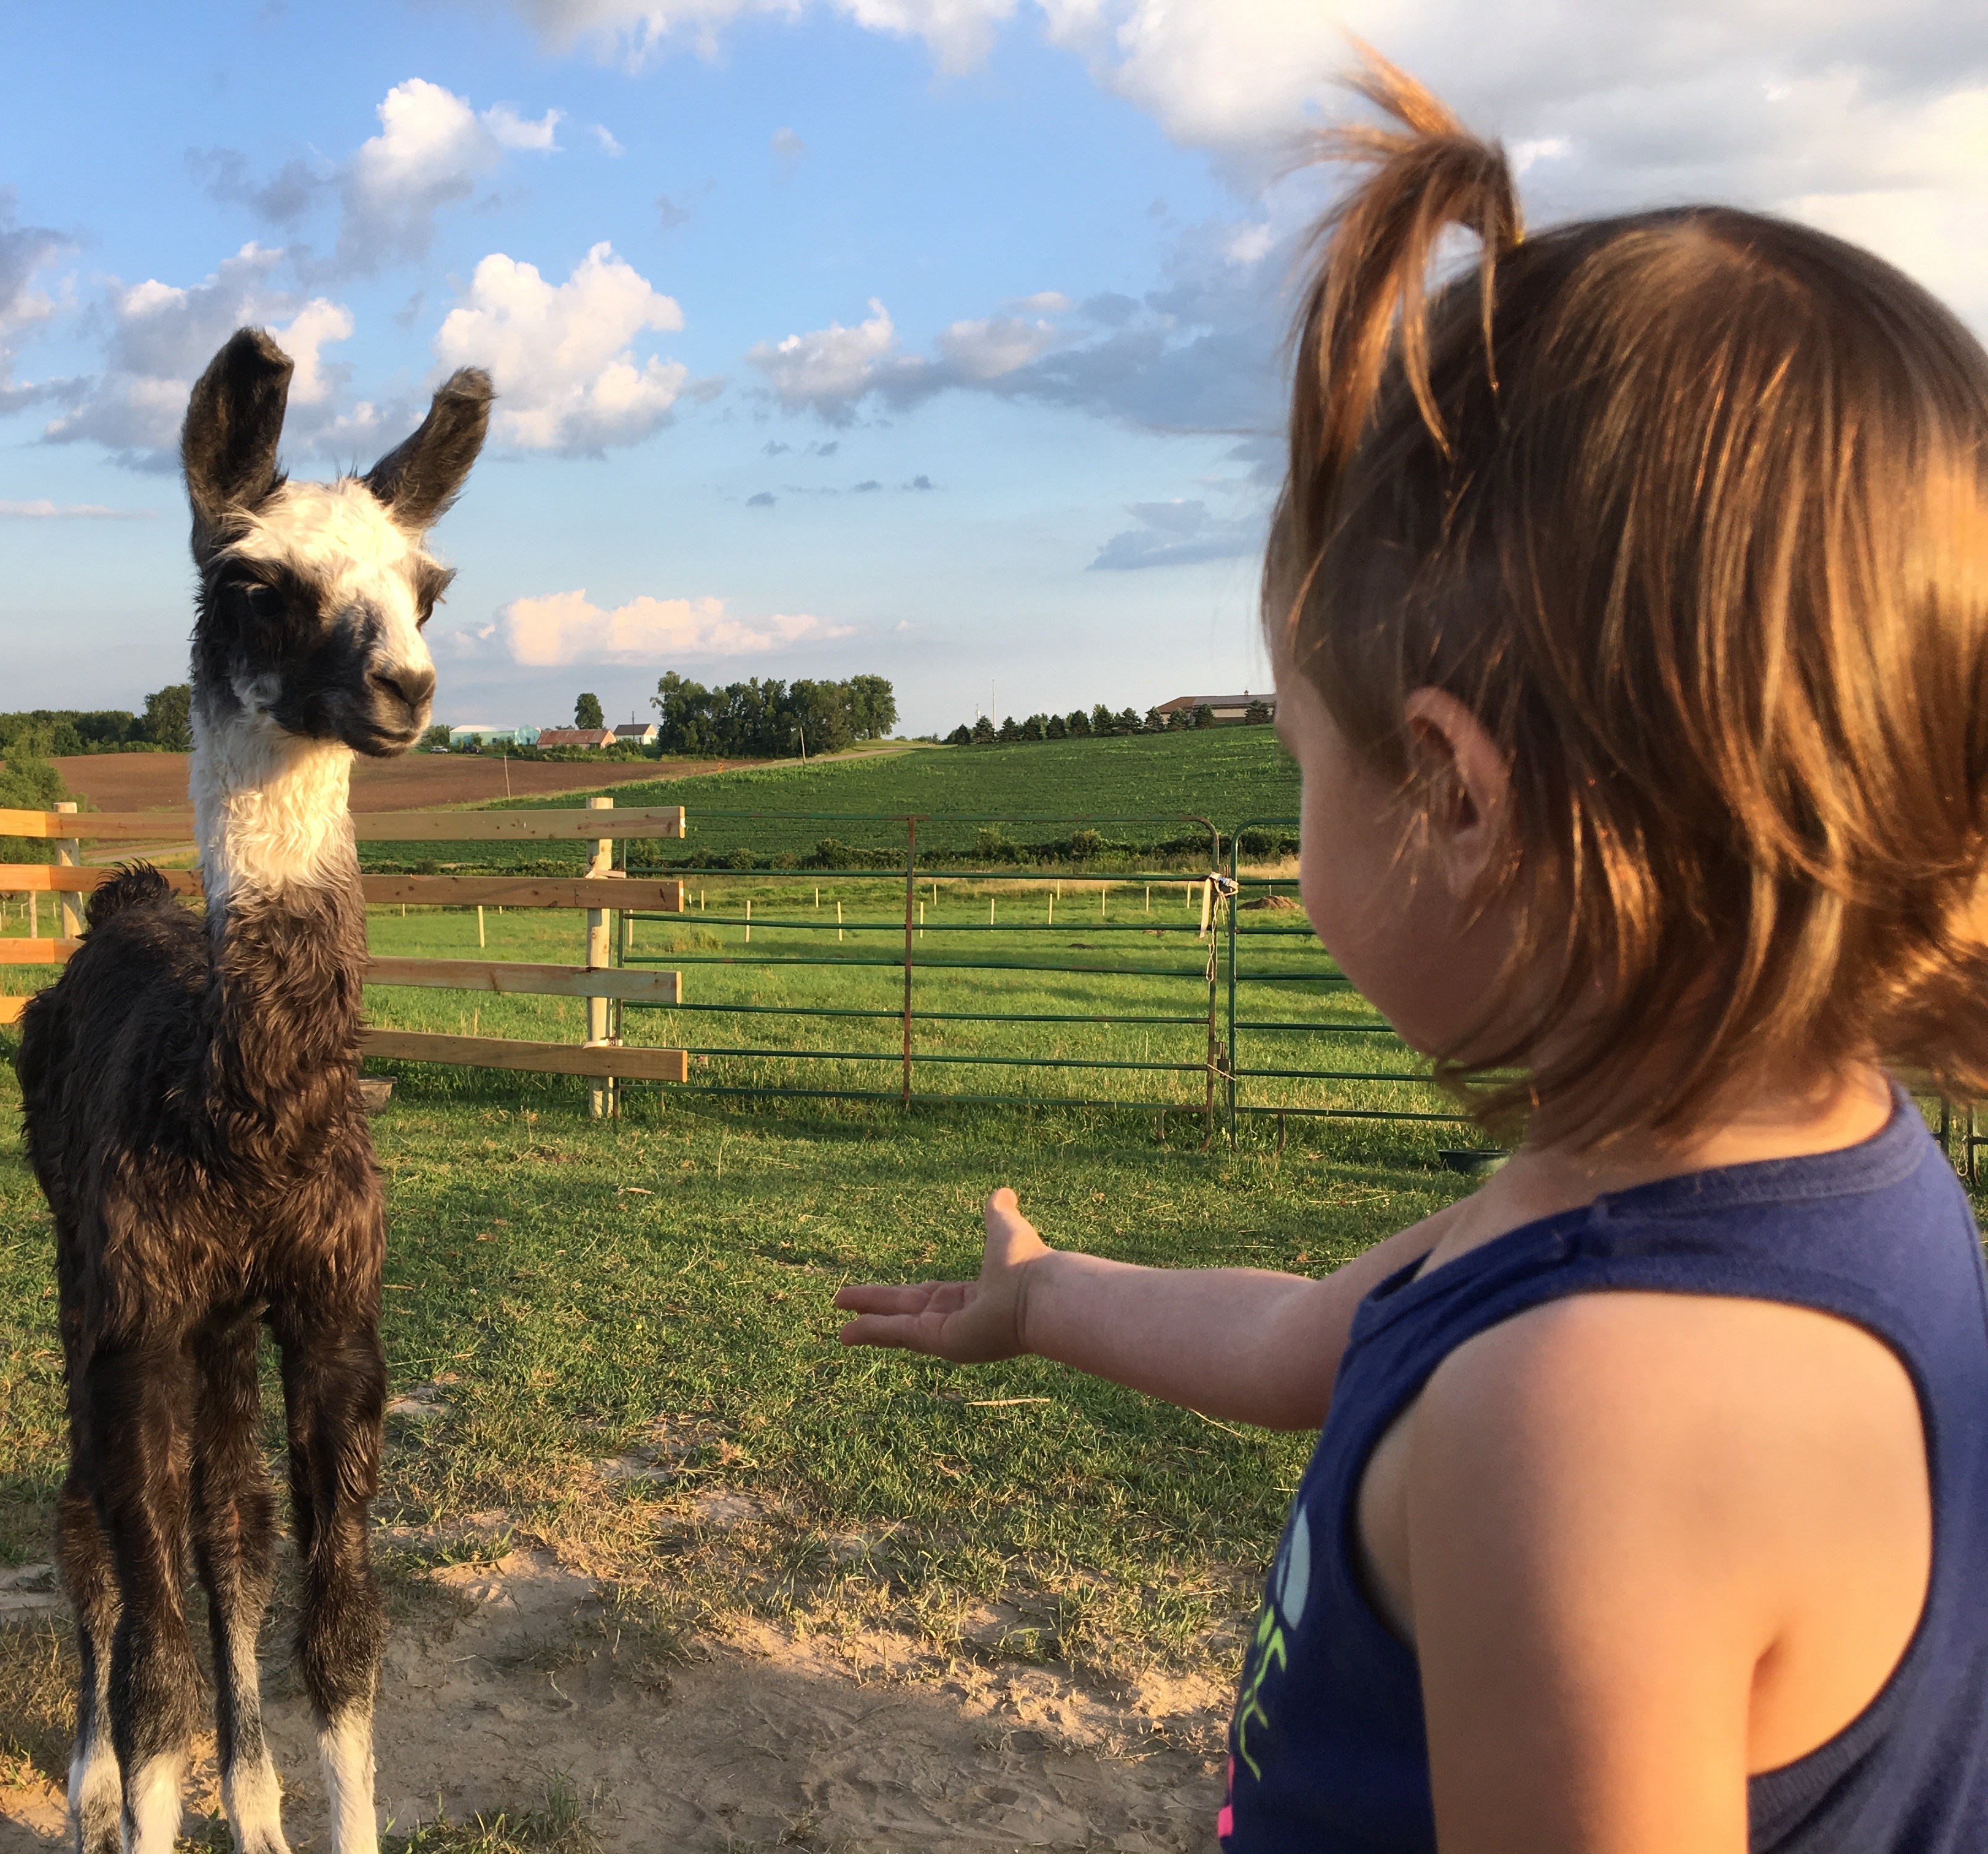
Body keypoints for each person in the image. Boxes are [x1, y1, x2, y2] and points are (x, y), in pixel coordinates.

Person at [836, 51, 1988, 1854]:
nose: (1299, 829)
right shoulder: (1743, 1185)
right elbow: (1315, 1341)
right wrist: (1050, 1299)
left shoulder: (1589, 1428)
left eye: (1304, 762)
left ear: (1453, 797)